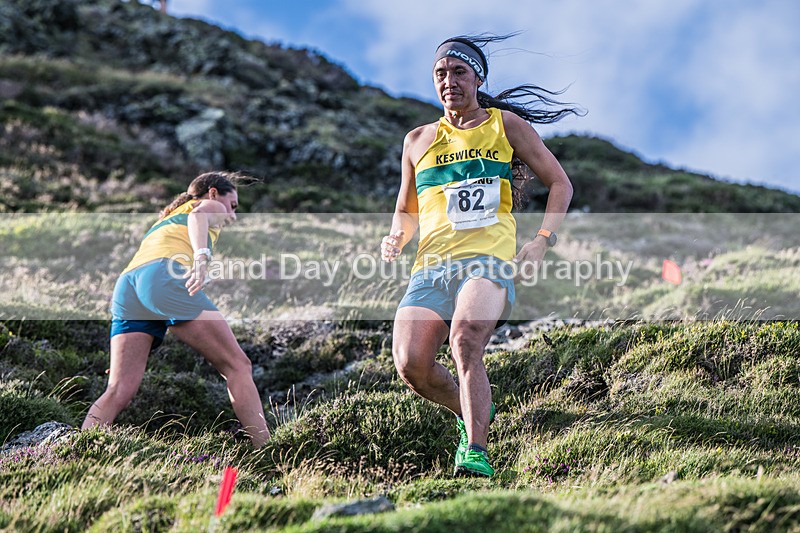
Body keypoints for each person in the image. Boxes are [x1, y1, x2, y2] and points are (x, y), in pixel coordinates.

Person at [381, 35, 580, 476]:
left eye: (459, 72)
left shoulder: (505, 125)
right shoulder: (417, 140)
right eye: (440, 74)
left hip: (487, 260)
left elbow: (560, 183)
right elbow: (406, 210)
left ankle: (475, 452)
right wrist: (396, 236)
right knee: (410, 364)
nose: (449, 81)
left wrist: (541, 239)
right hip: (431, 266)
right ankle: (471, 410)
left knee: (465, 338)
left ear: (478, 78)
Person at [82, 171, 270, 447]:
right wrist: (202, 256)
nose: (233, 216)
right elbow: (199, 217)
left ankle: (78, 449)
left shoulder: (169, 216)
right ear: (214, 193)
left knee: (118, 390)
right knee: (239, 365)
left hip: (129, 285)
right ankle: (266, 451)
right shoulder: (208, 206)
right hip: (162, 276)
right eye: (233, 206)